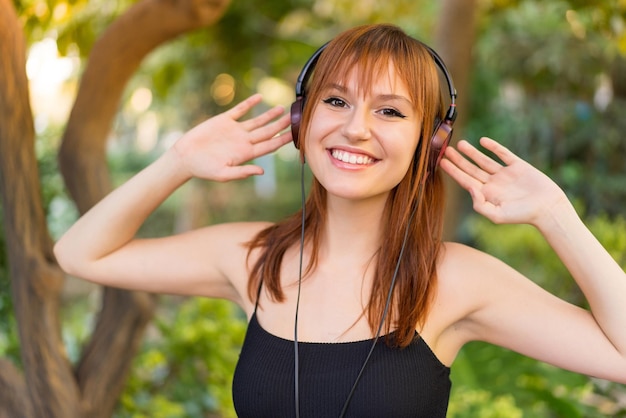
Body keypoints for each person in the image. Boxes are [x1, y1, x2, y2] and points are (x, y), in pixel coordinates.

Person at [54, 23, 626, 417]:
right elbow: (81, 253)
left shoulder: (454, 280)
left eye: (390, 111)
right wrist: (177, 162)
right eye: (336, 101)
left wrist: (555, 216)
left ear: (430, 142)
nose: (356, 128)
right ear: (303, 121)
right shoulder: (254, 260)